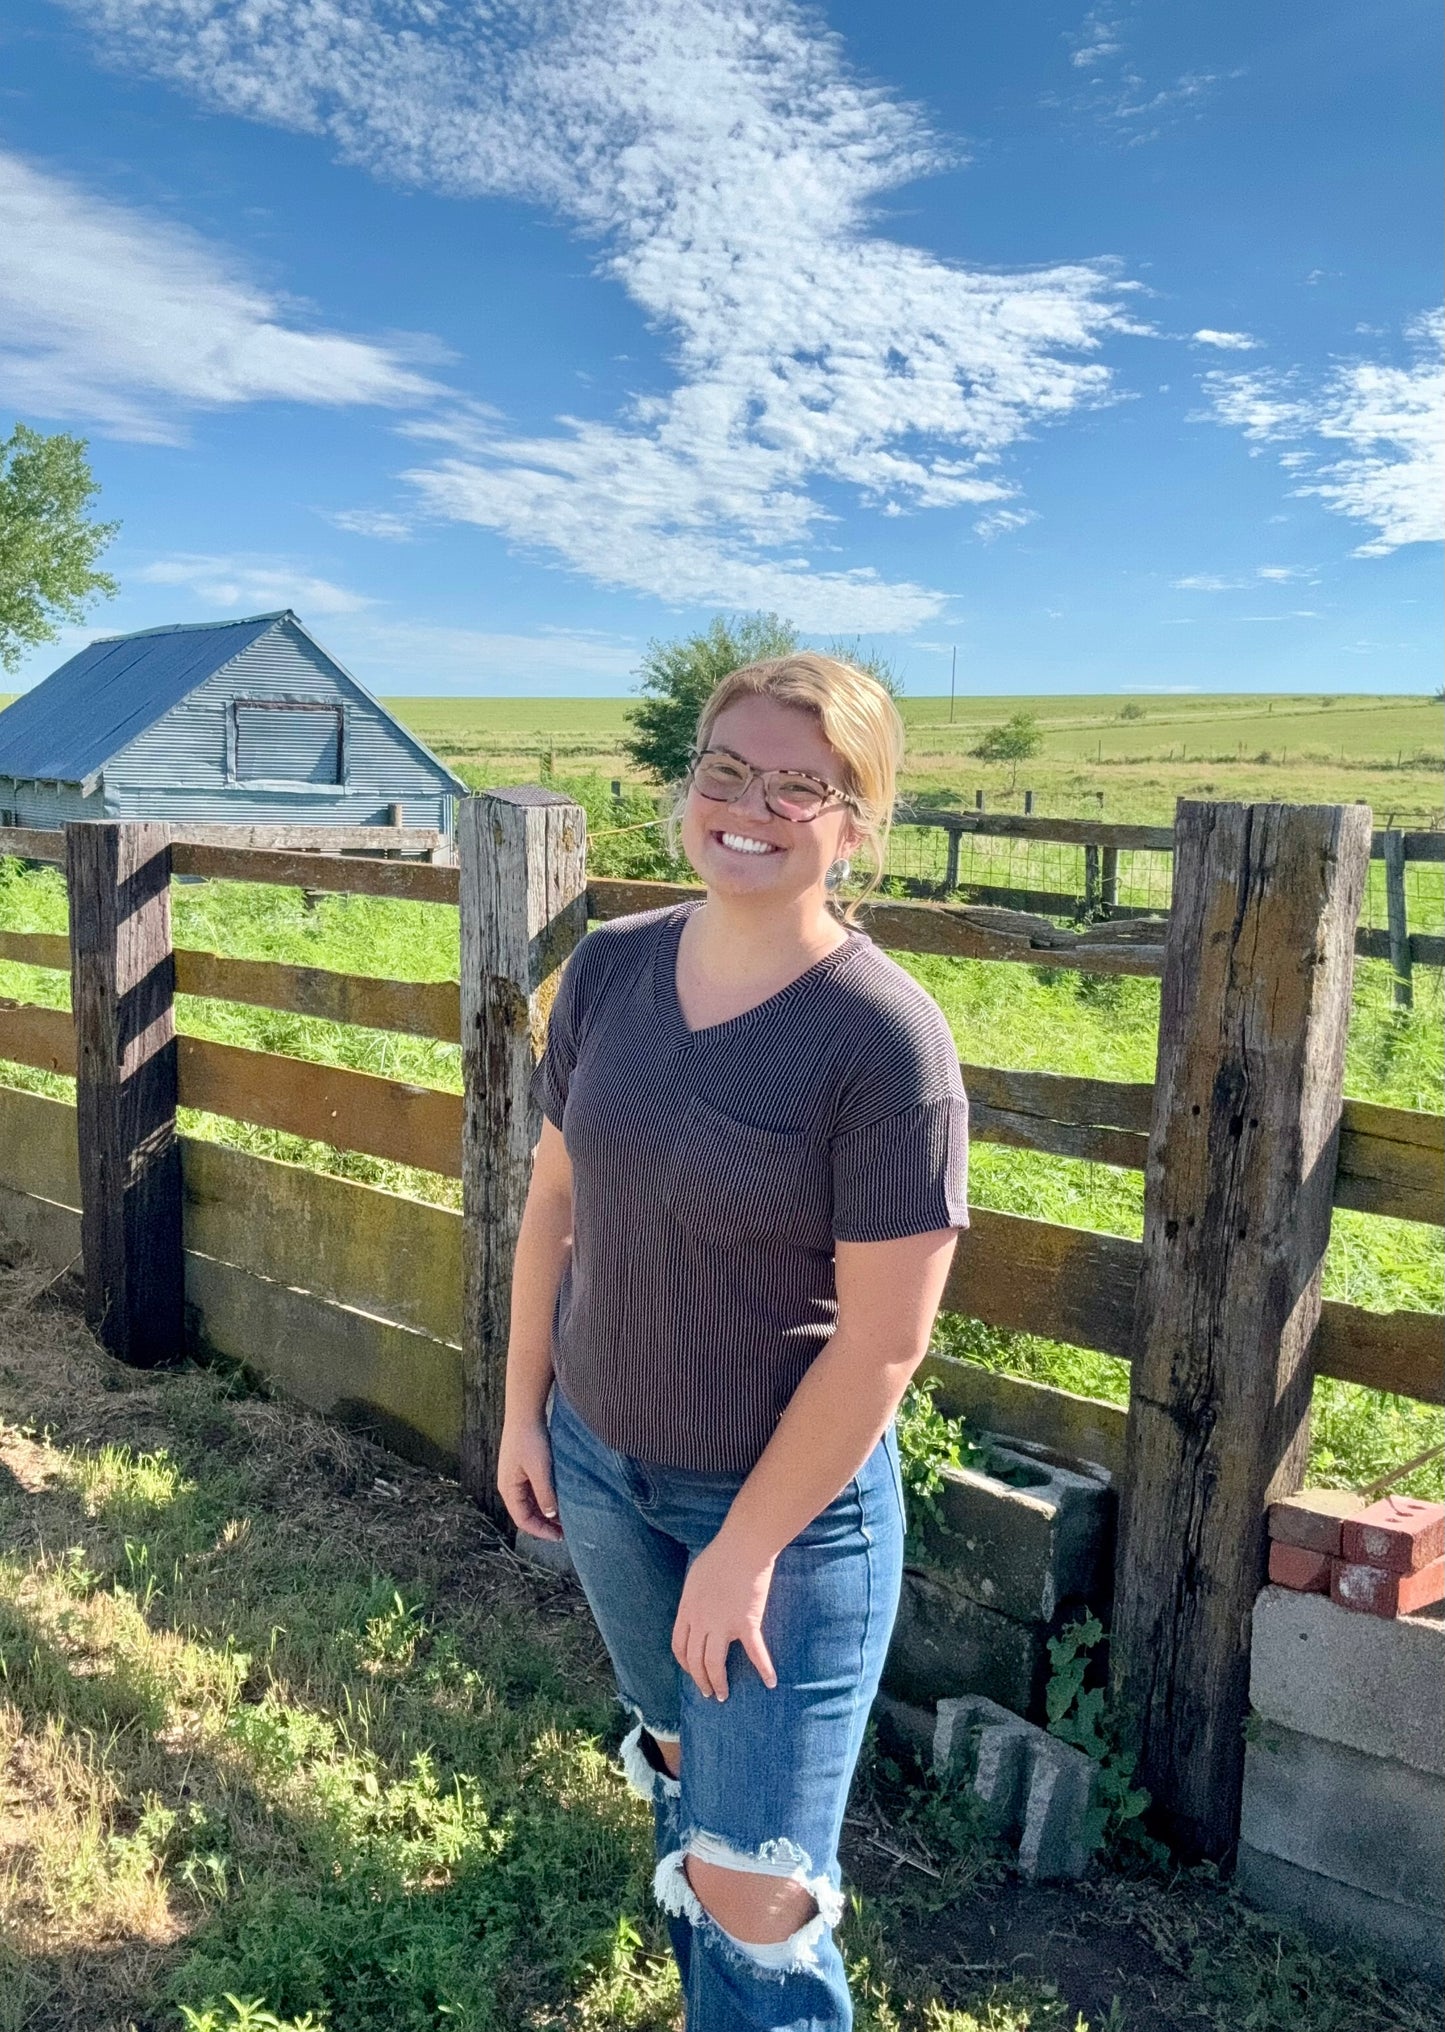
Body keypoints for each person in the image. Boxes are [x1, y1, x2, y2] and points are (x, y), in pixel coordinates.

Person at [497, 652, 969, 2031]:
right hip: (597, 1464)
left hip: (784, 1518)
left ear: (855, 822)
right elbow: (553, 1207)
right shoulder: (610, 968)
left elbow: (882, 1344)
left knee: (758, 1890)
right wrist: (527, 1416)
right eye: (723, 771)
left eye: (796, 785)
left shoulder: (880, 1041)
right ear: (683, 785)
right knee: (669, 1753)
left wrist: (743, 1552)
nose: (747, 806)